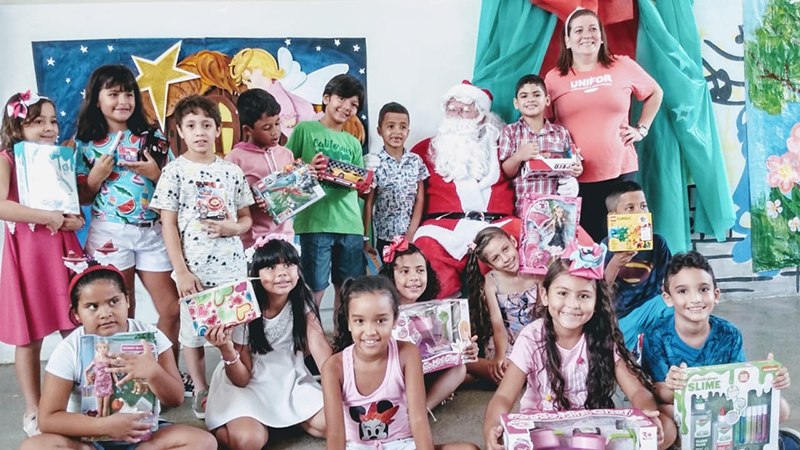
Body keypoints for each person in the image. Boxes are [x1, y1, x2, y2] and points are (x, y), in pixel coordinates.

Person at [483, 241, 664, 450]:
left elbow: (638, 392)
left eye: (584, 296)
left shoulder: (603, 336)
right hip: (542, 435)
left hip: (593, 434)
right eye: (562, 293)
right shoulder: (532, 337)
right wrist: (492, 428)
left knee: (663, 429)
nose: (573, 304)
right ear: (545, 295)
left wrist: (647, 416)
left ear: (597, 302)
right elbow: (504, 396)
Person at [19, 263, 217, 450]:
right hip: (87, 438)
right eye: (92, 306)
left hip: (144, 437)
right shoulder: (70, 348)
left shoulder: (152, 337)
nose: (105, 313)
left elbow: (175, 398)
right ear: (76, 314)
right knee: (33, 446)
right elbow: (47, 420)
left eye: (114, 301)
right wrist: (103, 427)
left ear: (127, 301)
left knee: (204, 442)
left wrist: (153, 372)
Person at [150, 95, 255, 419]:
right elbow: (167, 224)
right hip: (193, 270)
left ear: (217, 129)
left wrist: (231, 227)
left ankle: (238, 382)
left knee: (238, 326)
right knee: (193, 333)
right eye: (192, 125)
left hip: (232, 266)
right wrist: (180, 272)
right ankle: (201, 389)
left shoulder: (231, 171)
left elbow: (246, 218)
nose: (200, 132)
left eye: (206, 125)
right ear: (180, 131)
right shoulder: (174, 172)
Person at [74, 65, 181, 367]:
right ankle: (122, 381)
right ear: (97, 100)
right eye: (113, 94)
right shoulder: (84, 143)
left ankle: (167, 375)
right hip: (110, 233)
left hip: (152, 231)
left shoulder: (153, 137)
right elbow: (82, 196)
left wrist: (155, 173)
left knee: (172, 308)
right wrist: (95, 178)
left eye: (128, 93)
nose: (123, 101)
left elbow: (175, 184)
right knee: (121, 312)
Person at [642, 251, 793, 449]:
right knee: (665, 418)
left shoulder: (730, 333)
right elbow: (658, 391)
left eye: (703, 289)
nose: (695, 298)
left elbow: (741, 381)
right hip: (680, 406)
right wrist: (672, 386)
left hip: (723, 406)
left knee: (781, 409)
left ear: (716, 295)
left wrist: (769, 378)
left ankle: (743, 438)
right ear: (668, 298)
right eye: (682, 291)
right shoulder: (656, 335)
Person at [0, 91, 84, 436]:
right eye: (38, 122)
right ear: (18, 125)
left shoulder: (57, 158)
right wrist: (45, 216)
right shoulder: (6, 158)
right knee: (30, 337)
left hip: (62, 246)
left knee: (78, 326)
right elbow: (2, 206)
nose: (49, 128)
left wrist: (71, 220)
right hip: (29, 251)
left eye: (53, 120)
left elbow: (71, 207)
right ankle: (34, 408)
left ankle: (87, 396)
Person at [545, 8, 663, 242]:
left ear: (601, 36)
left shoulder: (623, 66)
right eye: (578, 30)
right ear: (567, 41)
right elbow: (547, 124)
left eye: (592, 29)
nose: (586, 35)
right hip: (574, 180)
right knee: (585, 249)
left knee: (629, 243)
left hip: (620, 172)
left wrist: (642, 129)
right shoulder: (554, 78)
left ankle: (628, 280)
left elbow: (655, 92)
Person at [322, 276, 479, 450]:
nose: (370, 331)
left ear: (395, 320)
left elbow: (418, 417)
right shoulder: (333, 367)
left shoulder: (408, 354)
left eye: (381, 320)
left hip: (403, 444)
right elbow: (335, 433)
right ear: (349, 322)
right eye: (360, 321)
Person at [203, 237, 330, 450]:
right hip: (248, 382)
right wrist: (226, 348)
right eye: (270, 267)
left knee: (336, 422)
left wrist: (343, 392)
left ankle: (283, 418)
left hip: (289, 376)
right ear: (255, 274)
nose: (282, 273)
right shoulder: (243, 307)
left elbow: (322, 353)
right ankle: (227, 421)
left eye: (289, 265)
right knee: (248, 441)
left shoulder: (302, 297)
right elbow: (242, 379)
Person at [411, 81, 517, 298]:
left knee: (521, 234)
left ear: (482, 115)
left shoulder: (504, 147)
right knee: (426, 248)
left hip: (496, 224)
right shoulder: (425, 149)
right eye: (452, 109)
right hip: (442, 228)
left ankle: (509, 311)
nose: (457, 115)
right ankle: (446, 317)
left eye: (465, 110)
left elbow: (528, 176)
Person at [286, 74, 366, 312]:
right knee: (314, 287)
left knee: (349, 289)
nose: (347, 107)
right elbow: (285, 170)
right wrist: (307, 169)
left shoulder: (352, 143)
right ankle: (310, 344)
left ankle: (343, 342)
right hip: (314, 223)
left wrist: (364, 184)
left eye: (354, 105)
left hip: (350, 224)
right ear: (326, 98)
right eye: (342, 99)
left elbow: (359, 183)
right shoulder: (305, 130)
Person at [378, 237, 478, 412]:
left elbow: (439, 346)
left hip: (425, 373)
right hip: (392, 376)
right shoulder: (382, 309)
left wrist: (465, 349)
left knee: (459, 369)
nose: (414, 277)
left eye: (420, 270)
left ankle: (422, 410)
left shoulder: (434, 310)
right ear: (390, 276)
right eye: (404, 271)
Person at [464, 227, 541, 386]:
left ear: (513, 242)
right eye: (496, 258)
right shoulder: (491, 282)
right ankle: (473, 368)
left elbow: (542, 314)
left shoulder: (536, 271)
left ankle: (477, 375)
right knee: (505, 369)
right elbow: (498, 325)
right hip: (507, 340)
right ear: (489, 264)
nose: (505, 259)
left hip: (537, 333)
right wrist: (500, 357)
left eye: (505, 249)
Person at [603, 180, 672, 350]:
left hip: (654, 307)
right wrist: (614, 264)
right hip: (622, 317)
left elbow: (670, 282)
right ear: (613, 217)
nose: (639, 212)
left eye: (643, 206)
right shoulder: (604, 247)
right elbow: (599, 291)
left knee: (672, 305)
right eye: (630, 208)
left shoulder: (658, 243)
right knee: (622, 355)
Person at [499, 74, 582, 214]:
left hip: (558, 209)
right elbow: (506, 172)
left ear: (547, 100)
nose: (530, 100)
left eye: (536, 95)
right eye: (524, 96)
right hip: (523, 209)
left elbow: (575, 165)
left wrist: (577, 169)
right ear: (516, 103)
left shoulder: (560, 133)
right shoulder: (510, 132)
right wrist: (519, 156)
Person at [225, 88, 295, 248]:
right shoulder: (234, 159)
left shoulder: (286, 154)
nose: (275, 132)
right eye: (266, 128)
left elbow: (294, 197)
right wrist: (252, 201)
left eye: (277, 123)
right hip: (253, 243)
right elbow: (229, 205)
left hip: (286, 240)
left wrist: (305, 180)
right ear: (247, 130)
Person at [363, 103, 429, 258]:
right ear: (380, 130)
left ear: (408, 131)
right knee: (388, 280)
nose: (397, 132)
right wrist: (366, 238)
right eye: (391, 126)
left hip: (411, 236)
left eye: (403, 127)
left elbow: (420, 198)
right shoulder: (375, 162)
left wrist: (411, 233)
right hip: (385, 238)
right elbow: (368, 203)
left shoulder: (415, 161)